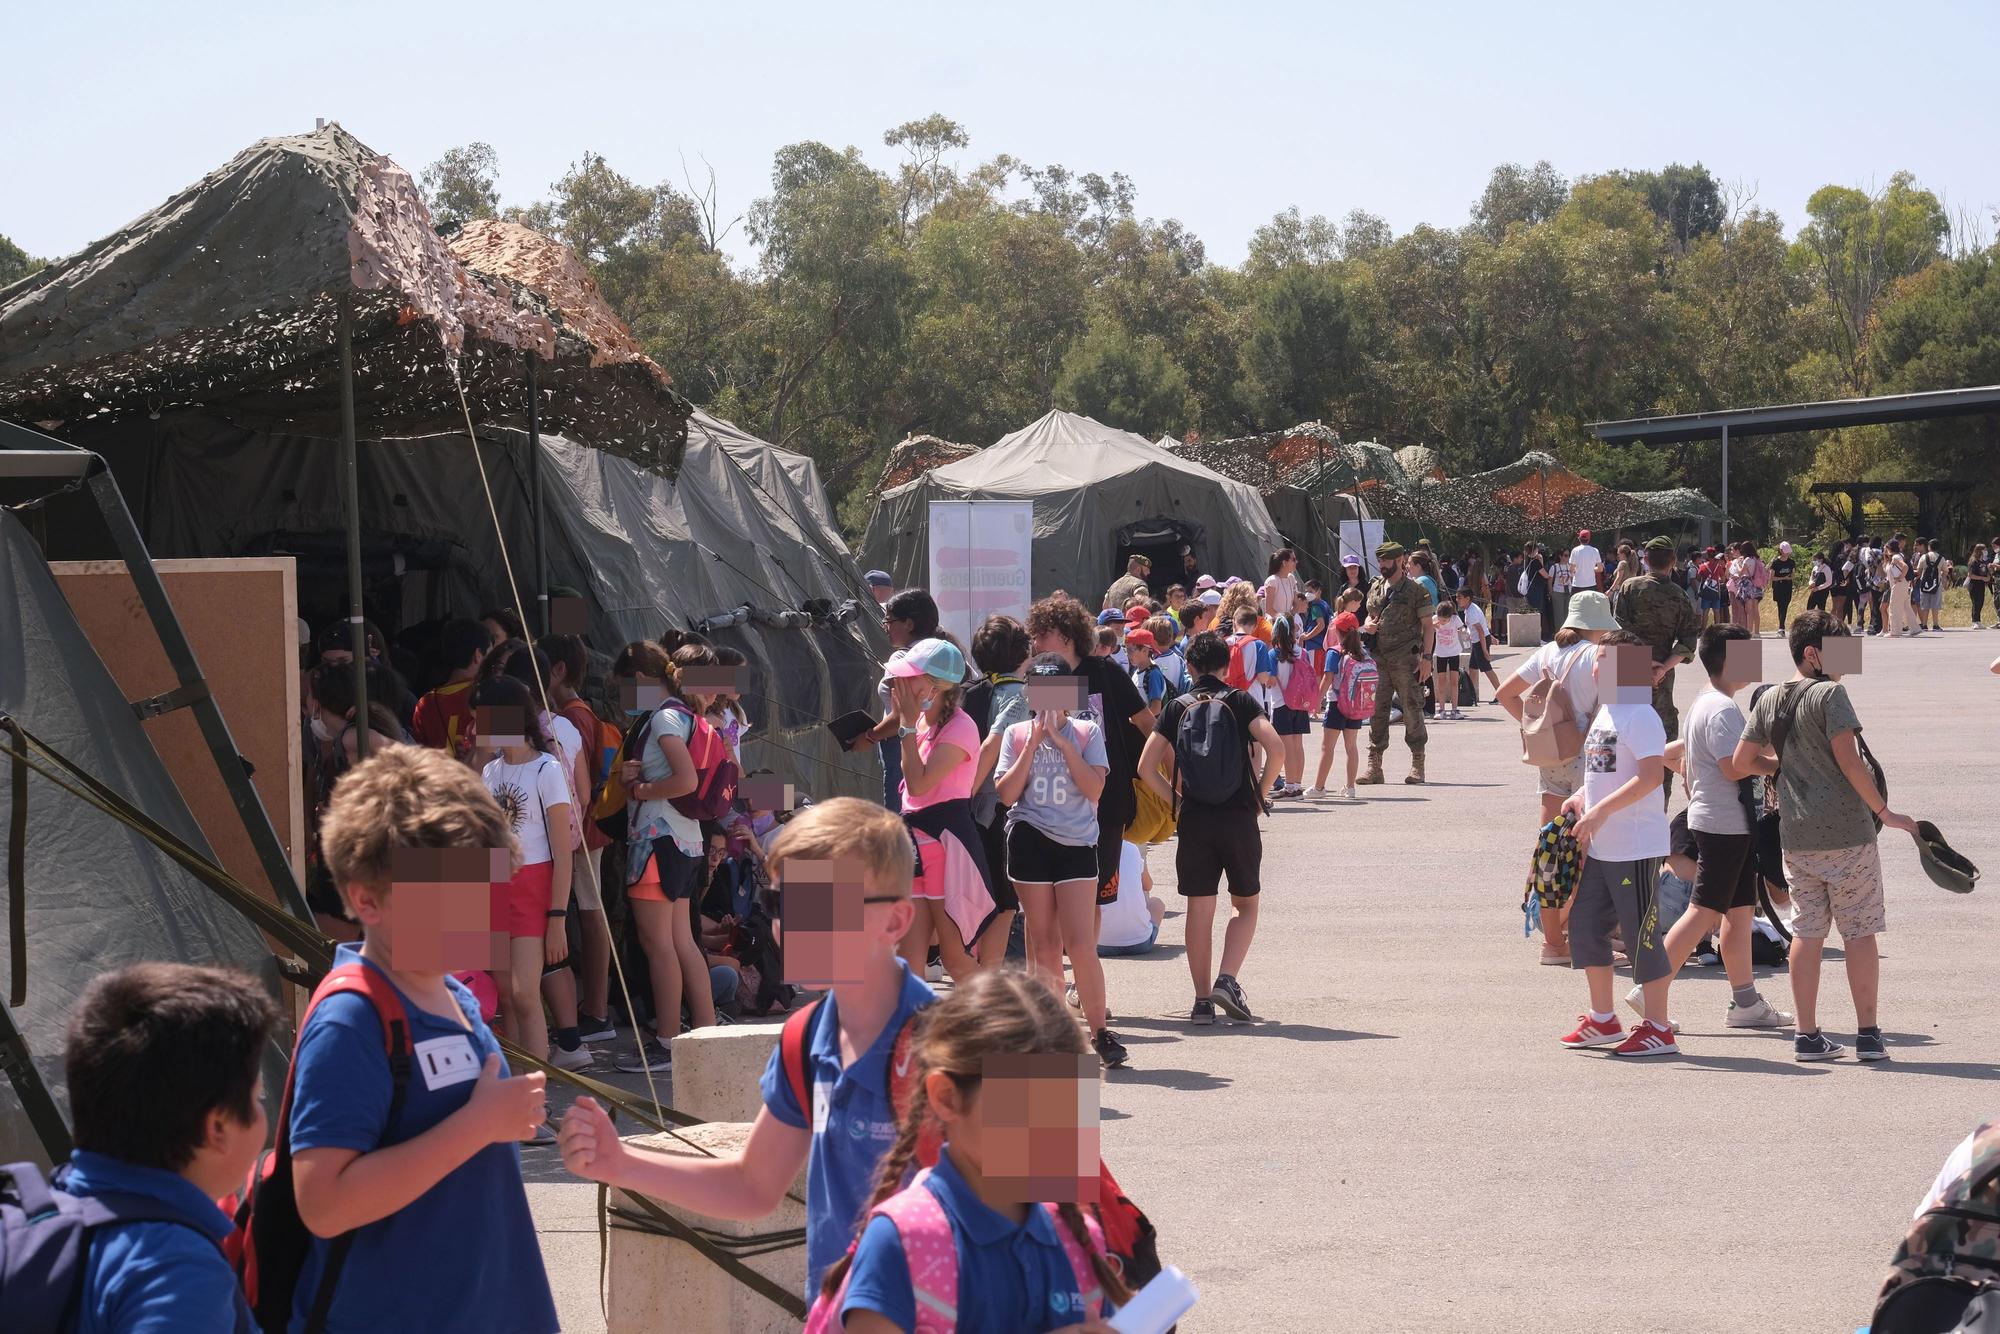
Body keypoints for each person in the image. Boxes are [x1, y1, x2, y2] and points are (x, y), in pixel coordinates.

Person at [559, 799, 935, 1300]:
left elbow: (1069, 1206)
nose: (792, 927)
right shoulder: (805, 1038)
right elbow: (753, 1187)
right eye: (782, 905)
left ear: (896, 921)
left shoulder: (966, 1038)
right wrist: (620, 1164)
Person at [296, 745, 557, 1331]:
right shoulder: (351, 1021)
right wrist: (480, 1126)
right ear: (366, 899)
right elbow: (323, 1203)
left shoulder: (454, 994)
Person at [811, 970, 1132, 1332]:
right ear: (946, 1097)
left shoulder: (1079, 1239)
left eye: (1066, 1104)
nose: (1051, 1133)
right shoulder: (904, 1241)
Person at [1734, 610, 1917, 1062]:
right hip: (1849, 836)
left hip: (1796, 837)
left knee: (1807, 932)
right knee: (1859, 932)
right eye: (1839, 643)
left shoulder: (1770, 697)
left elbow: (1741, 760)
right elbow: (1849, 761)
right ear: (1813, 652)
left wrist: (1780, 769)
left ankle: (1808, 1035)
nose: (1847, 652)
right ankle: (1869, 1035)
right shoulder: (1832, 694)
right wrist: (1886, 812)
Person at [56, 962, 279, 1333]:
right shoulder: (178, 1272)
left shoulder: (41, 1216)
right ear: (218, 1127)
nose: (262, 1112)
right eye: (258, 1098)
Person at [1632, 625, 1794, 1031]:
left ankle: (1746, 1003)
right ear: (1729, 659)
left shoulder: (1710, 702)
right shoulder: (1722, 709)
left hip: (1729, 824)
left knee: (1737, 916)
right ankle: (1649, 989)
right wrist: (1782, 766)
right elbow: (1734, 766)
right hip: (1723, 826)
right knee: (1702, 912)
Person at [1140, 630, 1282, 1026]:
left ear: (1189, 667)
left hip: (1195, 820)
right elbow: (1278, 748)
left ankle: (1202, 1001)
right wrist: (1260, 794)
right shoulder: (1240, 701)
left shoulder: (1176, 706)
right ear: (1226, 666)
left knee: (1199, 910)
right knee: (1245, 904)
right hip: (1238, 816)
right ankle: (1227, 978)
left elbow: (1145, 767)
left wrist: (1178, 802)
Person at [995, 654, 1123, 1068]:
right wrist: (1033, 743)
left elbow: (1093, 790)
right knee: (1045, 942)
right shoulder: (1015, 734)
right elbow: (1007, 794)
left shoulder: (1087, 731)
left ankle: (1100, 1030)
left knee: (1081, 942)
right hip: (1030, 838)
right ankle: (1053, 1037)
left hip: (1077, 843)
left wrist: (1063, 742)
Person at [1555, 629, 1678, 1057]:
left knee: (1642, 937)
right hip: (1602, 844)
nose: (1595, 664)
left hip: (1635, 846)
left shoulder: (1640, 715)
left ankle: (1659, 1028)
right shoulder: (1607, 711)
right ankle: (1603, 1019)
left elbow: (1649, 778)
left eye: (1605, 659)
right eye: (1597, 657)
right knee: (1586, 929)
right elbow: (1603, 773)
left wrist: (1602, 810)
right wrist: (1580, 798)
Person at [1024, 595, 1155, 961]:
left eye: (1041, 635)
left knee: (1094, 896)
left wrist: (1165, 774)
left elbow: (1145, 723)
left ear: (1066, 636)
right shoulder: (1047, 676)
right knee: (1052, 900)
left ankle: (1083, 981)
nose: (1035, 643)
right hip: (1055, 805)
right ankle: (1057, 980)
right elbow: (1044, 738)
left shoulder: (1102, 672)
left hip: (1106, 803)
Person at [612, 641, 718, 1073]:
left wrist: (639, 790)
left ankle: (666, 1041)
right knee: (680, 942)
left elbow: (685, 779)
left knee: (658, 945)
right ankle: (707, 1032)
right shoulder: (684, 713)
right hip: (684, 840)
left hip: (657, 839)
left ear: (639, 681)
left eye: (624, 688)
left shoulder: (663, 717)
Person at [1497, 591, 1617, 965]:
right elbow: (1618, 714)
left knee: (1551, 850)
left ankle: (1553, 940)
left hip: (1551, 757)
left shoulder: (1548, 651)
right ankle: (1579, 935)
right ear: (1598, 626)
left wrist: (1538, 729)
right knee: (1587, 853)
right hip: (1590, 757)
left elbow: (1505, 693)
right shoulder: (1599, 656)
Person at [472, 676, 576, 1080]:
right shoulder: (490, 770)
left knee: (525, 994)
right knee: (506, 999)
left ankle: (537, 1101)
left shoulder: (547, 768)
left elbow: (563, 851)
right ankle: (517, 1092)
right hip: (496, 885)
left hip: (536, 888)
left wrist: (557, 917)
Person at [892, 637, 997, 985]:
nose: (901, 683)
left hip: (947, 847)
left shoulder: (961, 727)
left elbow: (919, 785)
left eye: (911, 677)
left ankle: (996, 1032)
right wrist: (907, 724)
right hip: (915, 843)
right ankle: (910, 1035)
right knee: (908, 961)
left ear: (935, 687)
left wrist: (906, 726)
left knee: (955, 959)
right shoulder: (922, 722)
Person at [1612, 536, 1701, 794]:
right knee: (1658, 743)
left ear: (1645, 560)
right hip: (1660, 680)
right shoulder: (1680, 596)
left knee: (1614, 737)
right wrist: (1661, 666)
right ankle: (1656, 805)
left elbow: (1617, 633)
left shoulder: (1628, 588)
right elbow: (1687, 642)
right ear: (1672, 561)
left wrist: (1642, 660)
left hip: (1623, 674)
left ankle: (1606, 796)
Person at [965, 615, 1030, 969]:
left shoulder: (971, 691)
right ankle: (987, 978)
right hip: (998, 809)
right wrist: (968, 792)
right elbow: (994, 743)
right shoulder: (1022, 695)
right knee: (1004, 902)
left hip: (969, 808)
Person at [1360, 541, 1434, 785]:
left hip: (1405, 659)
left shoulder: (1415, 590)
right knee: (1376, 711)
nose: (1382, 565)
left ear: (1400, 560)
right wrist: (1367, 626)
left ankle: (1418, 763)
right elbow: (1369, 615)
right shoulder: (1376, 587)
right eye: (1380, 560)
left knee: (1411, 709)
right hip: (1378, 660)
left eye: (1386, 560)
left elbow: (1428, 627)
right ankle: (1374, 765)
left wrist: (1426, 659)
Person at [861, 589, 943, 809]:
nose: (884, 626)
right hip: (942, 750)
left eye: (889, 620)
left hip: (905, 750)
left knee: (902, 823)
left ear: (908, 624)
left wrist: (869, 737)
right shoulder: (949, 654)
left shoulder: (903, 658)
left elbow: (902, 716)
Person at [409, 617, 489, 758]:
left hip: (442, 777)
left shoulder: (425, 703)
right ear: (478, 655)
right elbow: (517, 749)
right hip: (480, 778)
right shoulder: (492, 695)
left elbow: (419, 754)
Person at [1312, 611, 1369, 800]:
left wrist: (1316, 702)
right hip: (1355, 705)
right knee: (1351, 746)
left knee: (1327, 747)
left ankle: (1319, 787)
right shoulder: (1362, 653)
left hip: (1337, 704)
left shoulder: (1334, 651)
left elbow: (1327, 679)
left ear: (1338, 629)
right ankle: (1350, 787)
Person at [1269, 616, 1315, 793]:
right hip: (1300, 703)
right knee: (1298, 745)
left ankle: (1288, 787)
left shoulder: (1274, 654)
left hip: (1281, 704)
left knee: (1286, 747)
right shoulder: (1302, 653)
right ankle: (1296, 784)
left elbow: (1271, 681)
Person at [1097, 839, 1165, 956]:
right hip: (1141, 943)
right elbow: (1148, 886)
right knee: (1157, 903)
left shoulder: (1089, 850)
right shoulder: (1132, 848)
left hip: (1096, 944)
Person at [1456, 587, 1501, 702]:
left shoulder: (1471, 612)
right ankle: (1471, 694)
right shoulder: (1470, 609)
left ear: (1468, 598)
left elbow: (1480, 630)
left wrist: (1485, 650)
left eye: (1459, 598)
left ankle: (1501, 694)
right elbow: (1482, 627)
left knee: (1487, 669)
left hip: (1480, 642)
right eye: (1457, 597)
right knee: (1473, 668)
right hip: (1478, 641)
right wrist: (1491, 637)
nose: (1457, 600)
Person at [1431, 596, 1465, 722]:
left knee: (1454, 681)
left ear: (1450, 617)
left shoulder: (1455, 619)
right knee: (1441, 680)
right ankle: (1441, 709)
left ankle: (1455, 709)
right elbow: (1425, 627)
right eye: (1441, 619)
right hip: (1440, 653)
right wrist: (1433, 625)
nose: (1443, 622)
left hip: (1454, 652)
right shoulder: (1434, 619)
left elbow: (1462, 628)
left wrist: (1464, 632)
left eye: (1445, 620)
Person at [1125, 627, 1167, 718]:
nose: (1127, 654)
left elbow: (1156, 708)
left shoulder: (1153, 675)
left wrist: (1136, 719)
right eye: (1126, 650)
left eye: (1130, 650)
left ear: (1145, 650)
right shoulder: (1136, 672)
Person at [1884, 538, 1915, 637]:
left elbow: (1905, 567)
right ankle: (1915, 628)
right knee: (1906, 607)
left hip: (1898, 585)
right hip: (1903, 584)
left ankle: (1895, 631)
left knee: (1894, 608)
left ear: (1889, 547)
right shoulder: (1899, 555)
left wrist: (1899, 578)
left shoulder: (1895, 558)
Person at [1915, 537, 1946, 632]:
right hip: (1936, 585)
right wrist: (1944, 583)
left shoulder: (1924, 557)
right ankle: (1935, 625)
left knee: (1925, 605)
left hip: (1924, 585)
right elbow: (1945, 571)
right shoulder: (1941, 558)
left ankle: (1924, 624)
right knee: (1935, 605)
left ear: (1929, 547)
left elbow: (1919, 572)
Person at [1262, 547, 1301, 622]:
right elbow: (1269, 609)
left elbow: (1296, 604)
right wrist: (1284, 620)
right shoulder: (1272, 581)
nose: (1296, 562)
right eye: (1293, 559)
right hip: (1274, 624)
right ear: (1284, 563)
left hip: (1288, 623)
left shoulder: (1291, 578)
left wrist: (1290, 619)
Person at [1769, 541, 1797, 631]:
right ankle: (1781, 626)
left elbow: (1793, 574)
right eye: (1786, 551)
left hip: (1787, 587)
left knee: (1785, 606)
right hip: (1778, 587)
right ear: (1781, 551)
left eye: (1788, 551)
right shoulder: (1776, 562)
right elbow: (1771, 577)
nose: (1787, 553)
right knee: (1780, 606)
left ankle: (1781, 626)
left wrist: (1789, 578)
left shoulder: (1791, 562)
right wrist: (1782, 578)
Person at [1569, 529, 1603, 594]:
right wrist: (1590, 568)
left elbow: (1571, 569)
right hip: (1591, 584)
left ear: (1579, 539)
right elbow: (1600, 569)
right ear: (1589, 539)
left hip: (1577, 584)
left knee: (1577, 604)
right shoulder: (1595, 551)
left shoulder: (1575, 550)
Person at [1967, 542, 1992, 629]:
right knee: (1976, 603)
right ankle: (1974, 621)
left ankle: (1978, 620)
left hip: (1981, 585)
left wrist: (1988, 577)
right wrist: (1982, 578)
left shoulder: (1984, 561)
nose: (1986, 551)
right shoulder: (1973, 561)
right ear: (1979, 551)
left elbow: (1986, 572)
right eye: (1984, 550)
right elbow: (1970, 575)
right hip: (1974, 585)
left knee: (1980, 602)